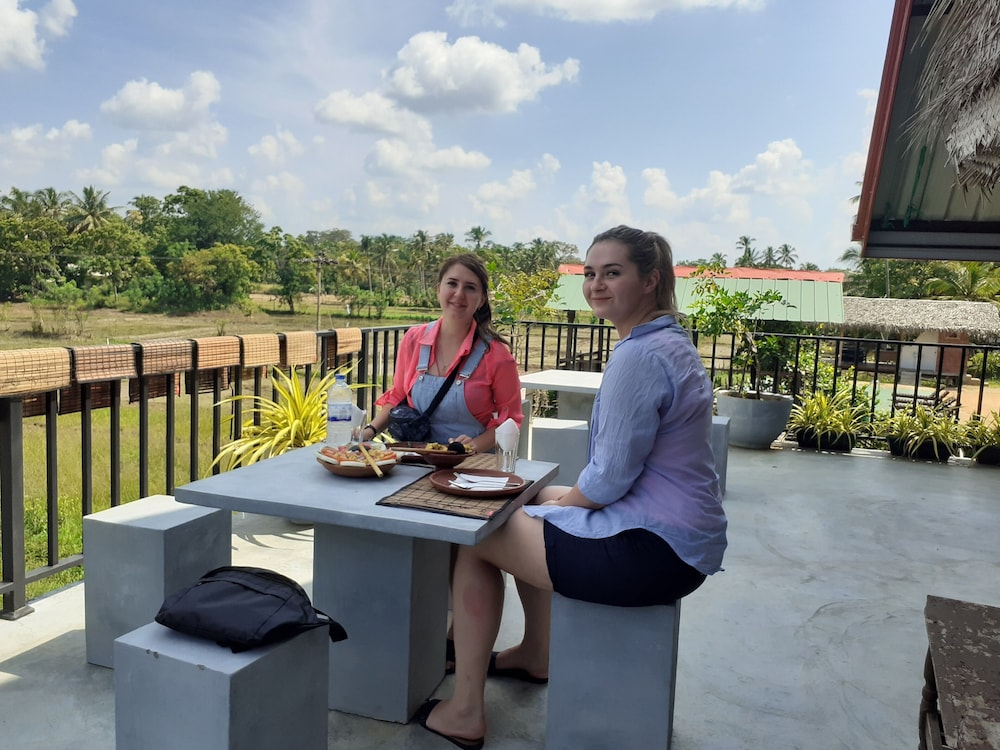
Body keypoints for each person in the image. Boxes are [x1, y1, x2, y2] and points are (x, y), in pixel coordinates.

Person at [413, 225, 728, 749]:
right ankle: (537, 653)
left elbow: (607, 480)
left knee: (479, 534)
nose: (596, 285)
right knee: (530, 510)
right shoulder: (671, 341)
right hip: (681, 538)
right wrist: (548, 499)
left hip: (651, 549)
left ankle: (466, 709)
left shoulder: (638, 356)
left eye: (613, 272)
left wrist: (561, 500)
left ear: (650, 281)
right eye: (590, 273)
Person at [360, 253, 524, 453]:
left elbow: (511, 420)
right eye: (452, 284)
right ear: (438, 289)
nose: (459, 294)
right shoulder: (414, 339)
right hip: (416, 458)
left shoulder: (496, 355)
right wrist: (369, 431)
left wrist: (473, 446)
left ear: (481, 300)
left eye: (470, 287)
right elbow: (398, 395)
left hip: (469, 467)